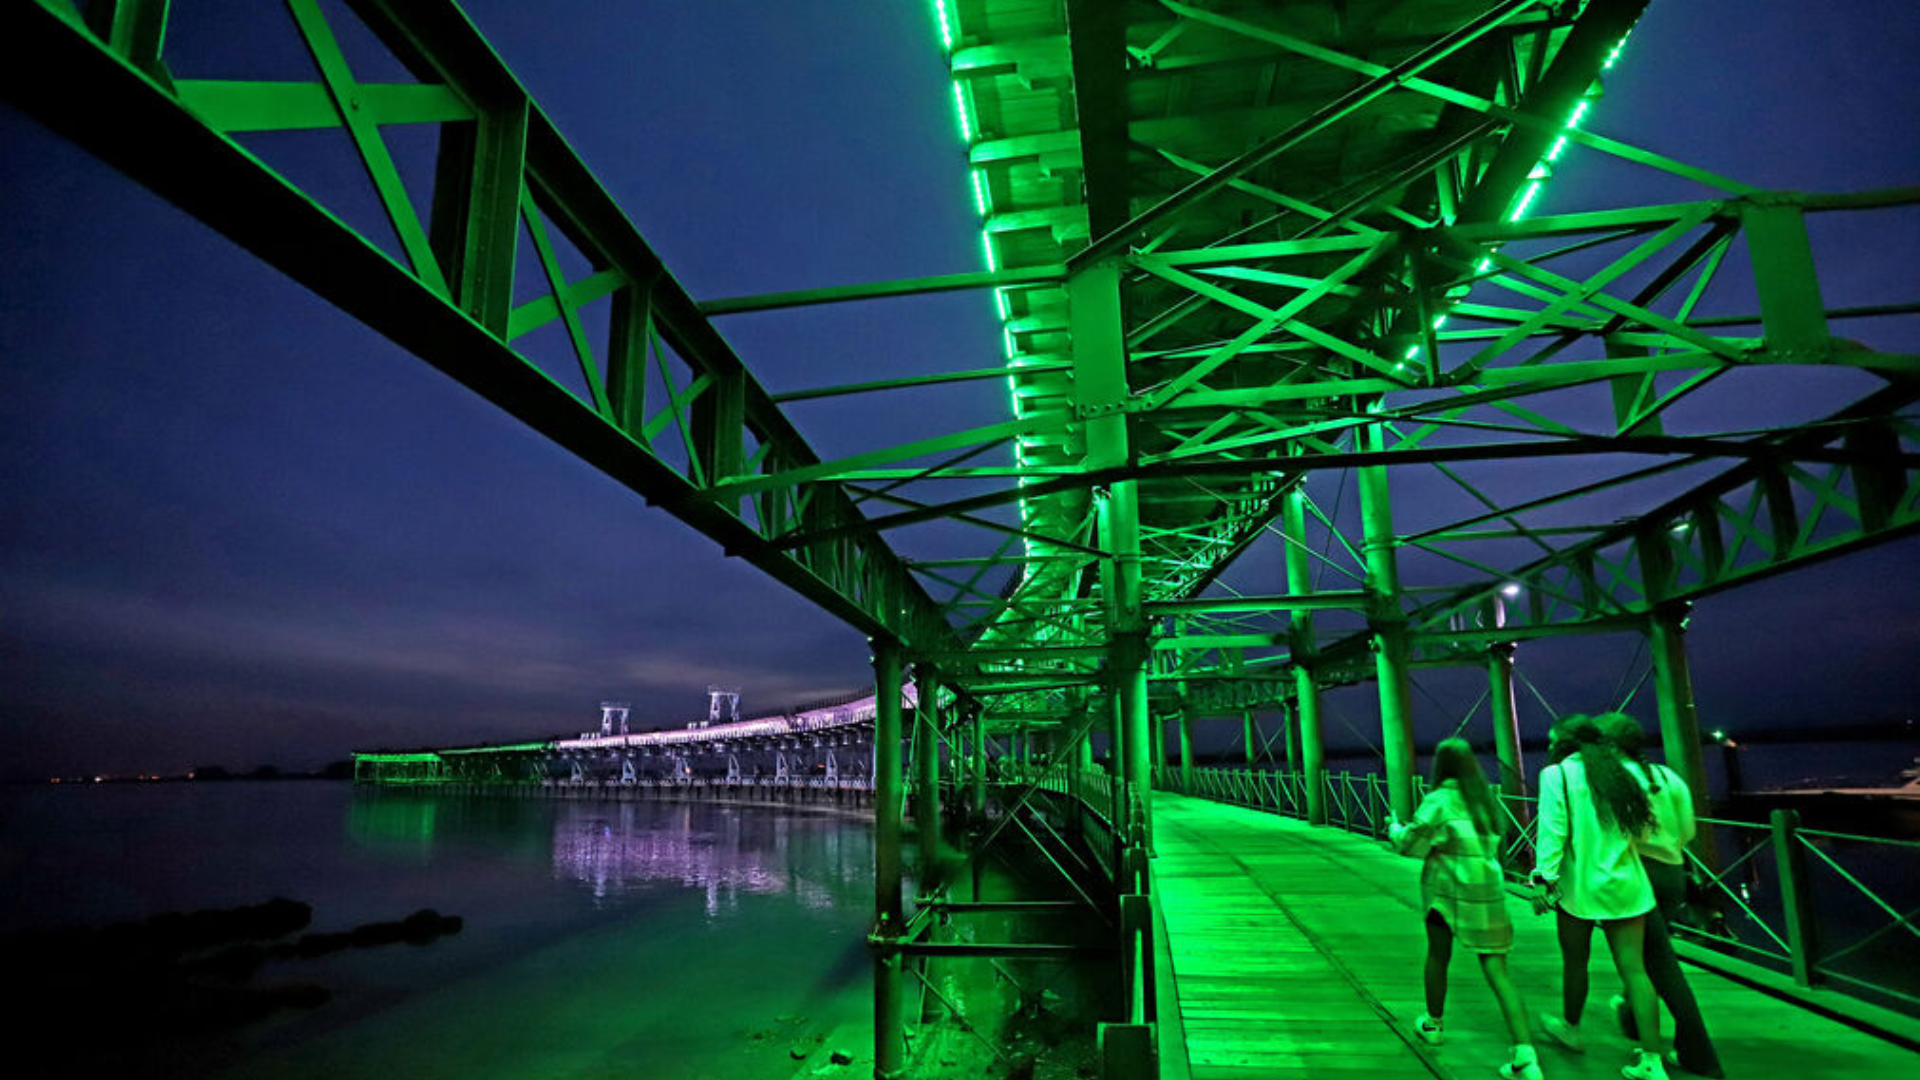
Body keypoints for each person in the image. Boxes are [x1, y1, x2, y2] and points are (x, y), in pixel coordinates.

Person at [1391, 738, 1543, 1080]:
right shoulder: (1484, 800)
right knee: (1498, 971)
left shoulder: (1439, 800)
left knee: (1438, 956)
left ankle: (1433, 1024)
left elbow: (1410, 844)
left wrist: (1393, 828)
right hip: (1487, 893)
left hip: (1446, 892)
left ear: (1440, 766)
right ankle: (1525, 1055)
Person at [1532, 716, 1669, 1080]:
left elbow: (1552, 832)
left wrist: (1543, 880)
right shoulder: (1624, 772)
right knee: (1634, 970)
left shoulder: (1557, 775)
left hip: (1579, 887)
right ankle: (1652, 1060)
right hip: (1626, 883)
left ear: (1564, 744)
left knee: (1576, 963)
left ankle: (1572, 1029)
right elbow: (1643, 832)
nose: (1548, 748)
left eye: (1552, 742)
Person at [1595, 712, 1724, 1078]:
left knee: (1661, 965)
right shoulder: (1668, 777)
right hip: (1673, 875)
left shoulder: (1615, 780)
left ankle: (1699, 1054)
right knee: (1649, 955)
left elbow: (1617, 835)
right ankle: (1633, 1018)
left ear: (1610, 746)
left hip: (1638, 875)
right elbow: (1688, 831)